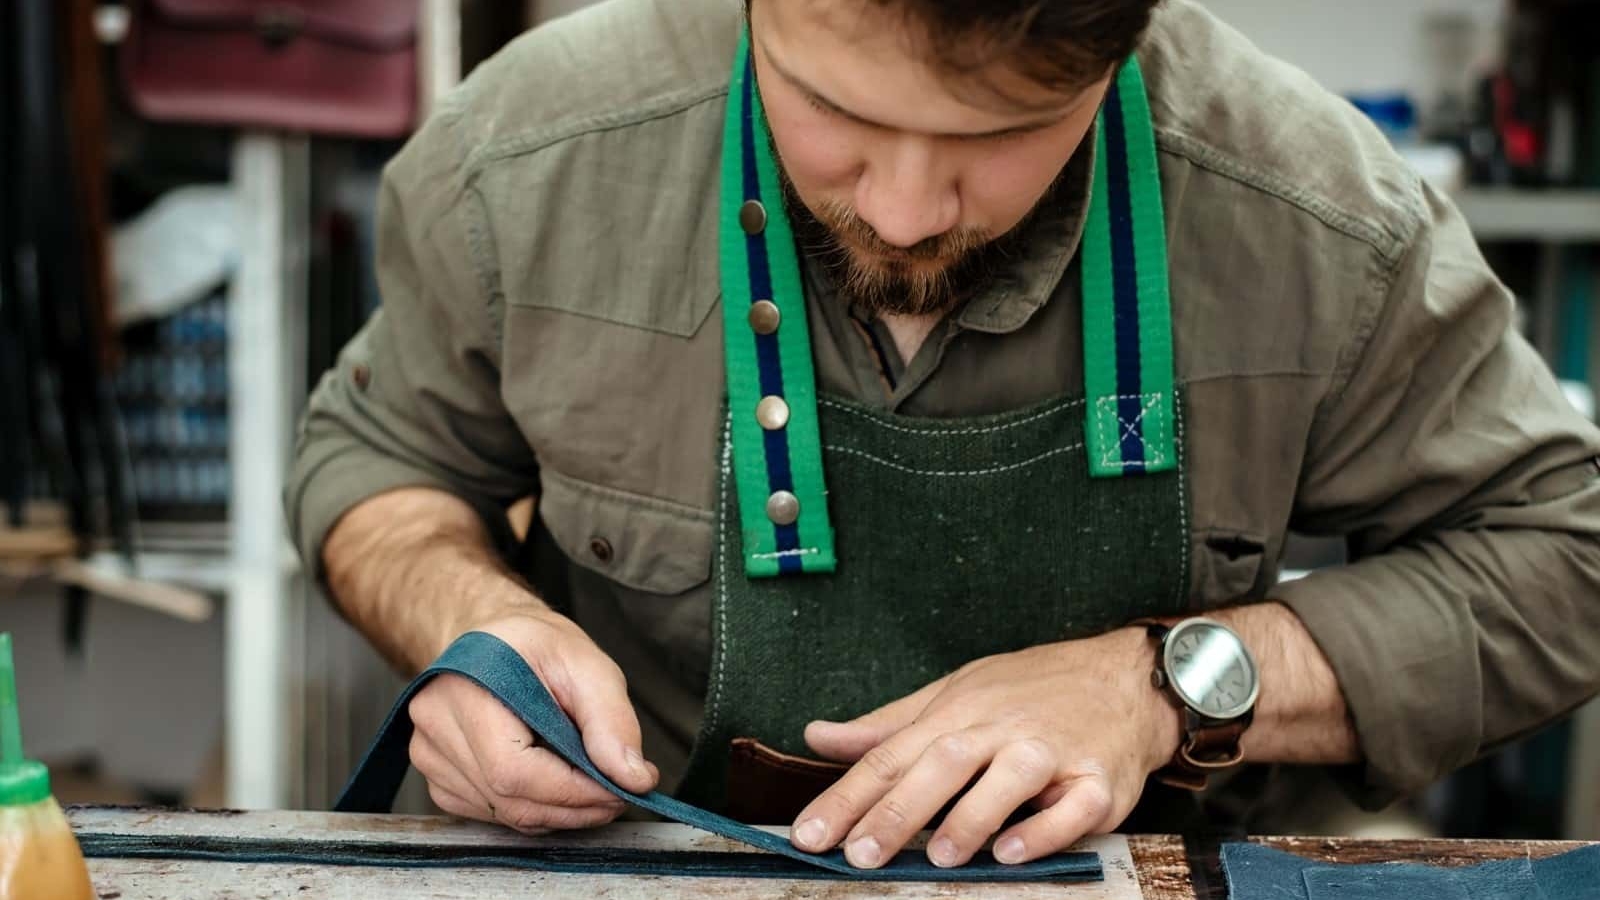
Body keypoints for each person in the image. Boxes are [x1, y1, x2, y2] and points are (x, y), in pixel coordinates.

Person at [285, 0, 1600, 871]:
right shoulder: (532, 158)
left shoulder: (1314, 219)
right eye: (839, 119)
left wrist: (1166, 687)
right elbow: (376, 460)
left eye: (1004, 135)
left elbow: (1568, 553)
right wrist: (468, 629)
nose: (908, 212)